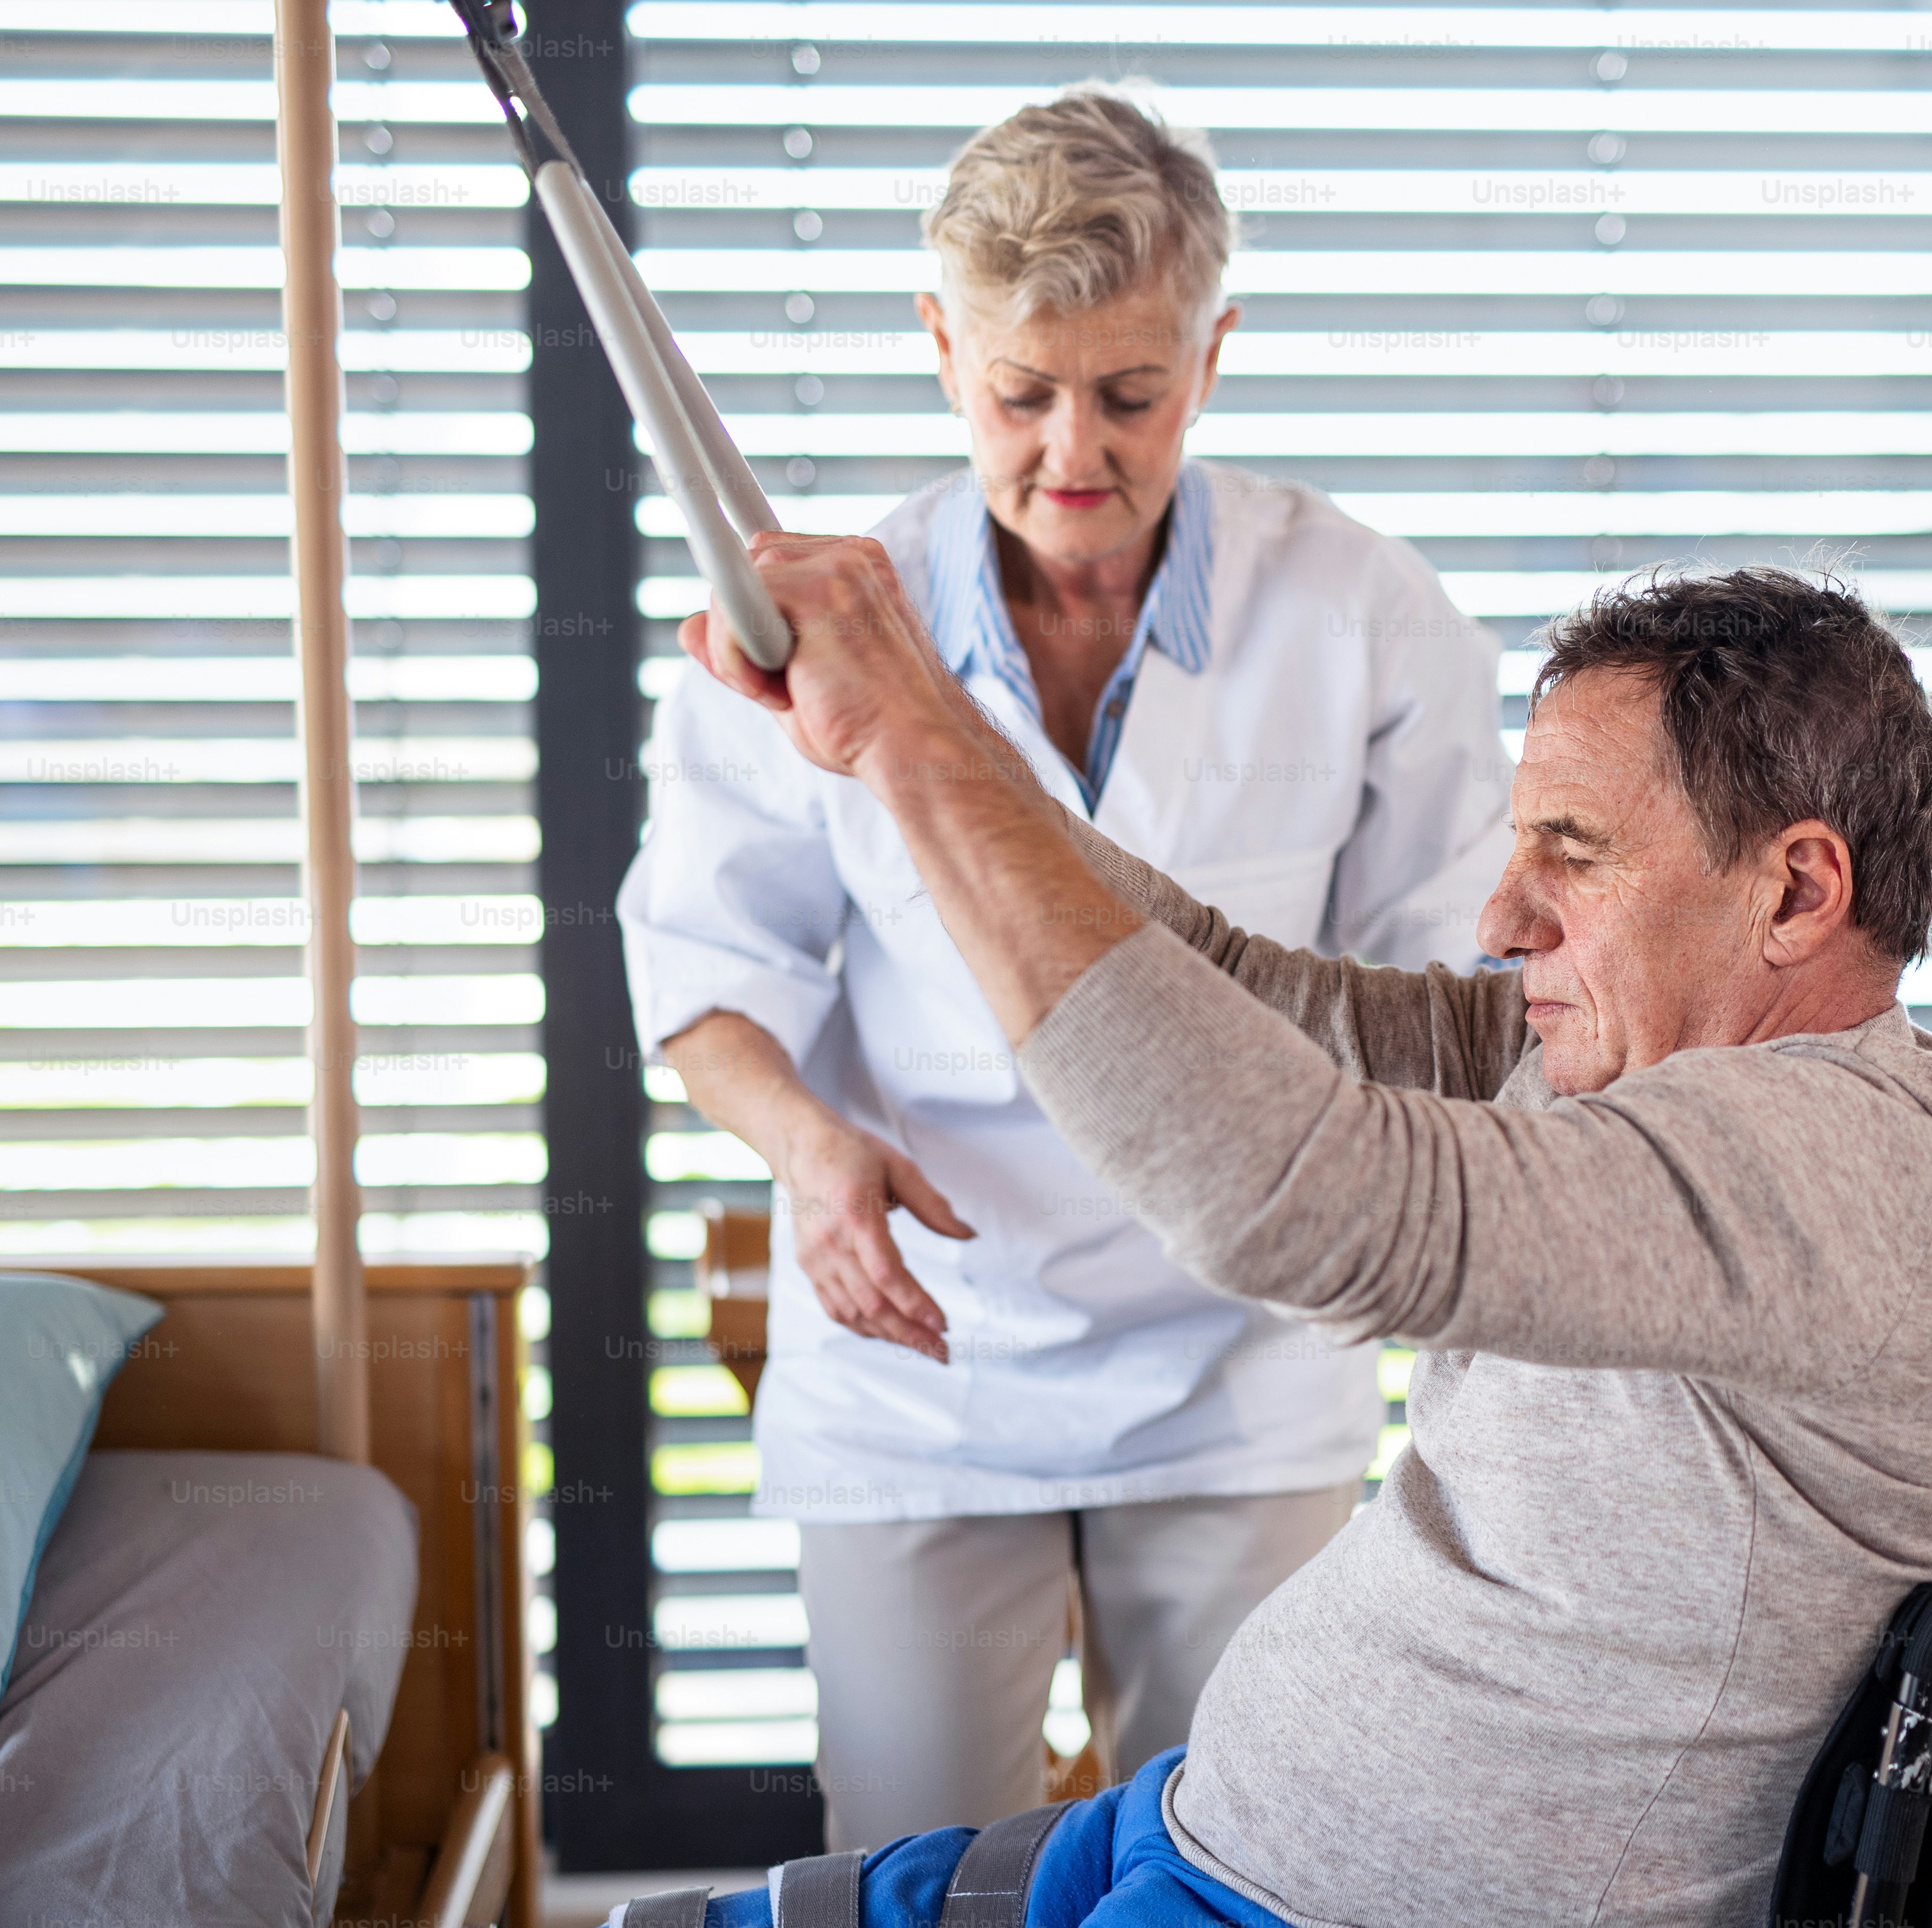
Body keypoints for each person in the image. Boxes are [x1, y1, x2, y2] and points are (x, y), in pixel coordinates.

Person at [644, 550, 1932, 1927]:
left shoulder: (1854, 1156)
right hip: (1200, 1825)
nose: (1501, 920)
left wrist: (915, 742)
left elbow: (1300, 1197)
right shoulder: (1609, 1058)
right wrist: (923, 739)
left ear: (1798, 891)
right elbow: (1241, 994)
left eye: (1571, 858)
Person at [615, 88, 1512, 1848]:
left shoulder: (1363, 613)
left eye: (1130, 392)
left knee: (1236, 1859)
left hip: (1249, 1353)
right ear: (941, 347)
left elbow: (1459, 997)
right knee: (911, 1867)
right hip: (927, 1359)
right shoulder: (813, 631)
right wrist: (810, 1149)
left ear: (1213, 351)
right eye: (1020, 394)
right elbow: (707, 962)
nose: (1073, 454)